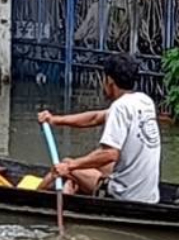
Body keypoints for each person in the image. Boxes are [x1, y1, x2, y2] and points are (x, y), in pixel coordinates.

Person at [37, 53, 161, 203]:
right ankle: (71, 186)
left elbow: (110, 154)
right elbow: (95, 118)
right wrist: (55, 120)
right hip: (149, 196)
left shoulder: (120, 107)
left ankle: (32, 196)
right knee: (94, 168)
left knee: (64, 165)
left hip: (123, 196)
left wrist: (70, 166)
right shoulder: (144, 101)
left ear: (109, 80)